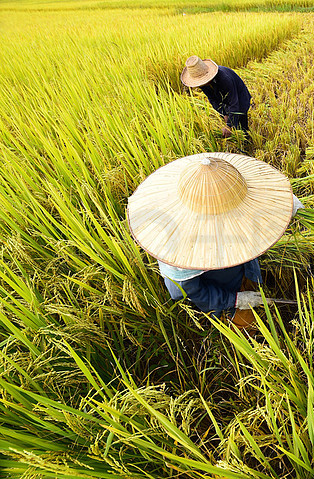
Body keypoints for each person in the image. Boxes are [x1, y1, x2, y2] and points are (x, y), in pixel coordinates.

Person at [127, 152, 303, 330]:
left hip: (243, 266)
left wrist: (286, 205)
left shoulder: (233, 195)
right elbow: (185, 291)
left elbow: (262, 197)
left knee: (255, 286)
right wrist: (234, 300)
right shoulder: (181, 251)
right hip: (223, 289)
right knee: (249, 324)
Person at [181, 55, 252, 138]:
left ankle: (247, 139)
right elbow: (213, 99)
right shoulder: (203, 84)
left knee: (241, 122)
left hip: (239, 97)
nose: (201, 84)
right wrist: (224, 113)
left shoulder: (224, 79)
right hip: (224, 99)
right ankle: (237, 136)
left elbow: (234, 103)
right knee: (231, 123)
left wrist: (229, 125)